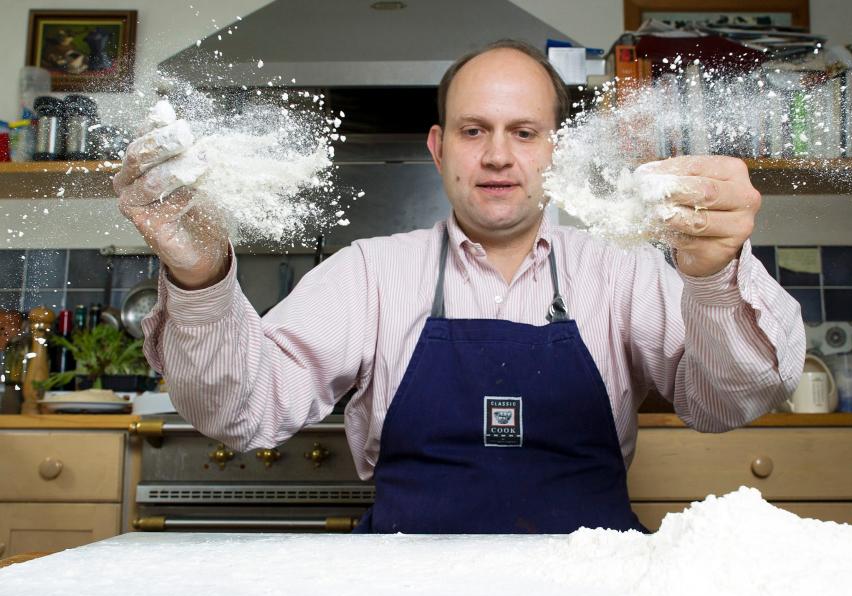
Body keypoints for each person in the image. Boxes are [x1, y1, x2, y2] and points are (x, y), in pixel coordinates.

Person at [115, 39, 805, 534]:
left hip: (588, 585)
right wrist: (199, 273)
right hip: (402, 581)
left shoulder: (619, 270)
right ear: (439, 148)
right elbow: (241, 412)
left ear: (554, 150)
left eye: (524, 132)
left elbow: (729, 404)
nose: (499, 155)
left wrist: (714, 272)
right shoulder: (369, 274)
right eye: (475, 130)